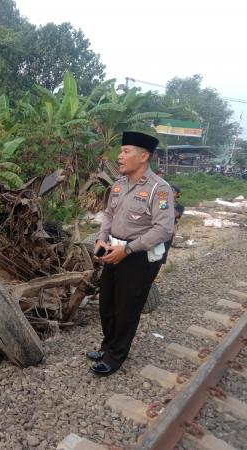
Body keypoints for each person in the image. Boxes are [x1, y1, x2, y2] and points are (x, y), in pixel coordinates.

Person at [88, 131, 175, 376]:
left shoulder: (160, 189)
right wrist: (100, 239)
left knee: (127, 308)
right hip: (113, 251)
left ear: (144, 156)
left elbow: (164, 229)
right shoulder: (118, 185)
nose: (120, 156)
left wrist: (126, 249)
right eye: (121, 150)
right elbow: (109, 216)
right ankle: (107, 346)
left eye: (126, 151)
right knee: (107, 304)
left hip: (138, 257)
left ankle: (116, 356)